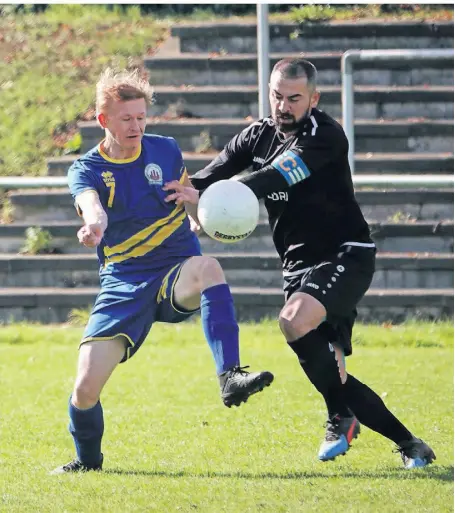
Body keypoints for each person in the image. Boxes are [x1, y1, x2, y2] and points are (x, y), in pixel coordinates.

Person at [172, 58, 436, 469]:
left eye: (294, 98)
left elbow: (274, 177)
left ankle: (340, 417)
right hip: (297, 266)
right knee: (334, 373)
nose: (283, 106)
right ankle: (407, 443)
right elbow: (212, 172)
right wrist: (182, 192)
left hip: (345, 253)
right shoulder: (257, 135)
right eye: (277, 95)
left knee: (293, 321)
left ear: (313, 98)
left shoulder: (326, 136)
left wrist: (218, 199)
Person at [52, 68, 274, 474]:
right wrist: (95, 224)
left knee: (209, 266)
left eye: (141, 117)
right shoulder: (84, 168)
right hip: (123, 281)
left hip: (175, 268)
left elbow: (193, 212)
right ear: (104, 121)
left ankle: (230, 376)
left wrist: (197, 201)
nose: (136, 126)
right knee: (84, 390)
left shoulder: (166, 150)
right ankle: (87, 463)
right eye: (126, 119)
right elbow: (91, 204)